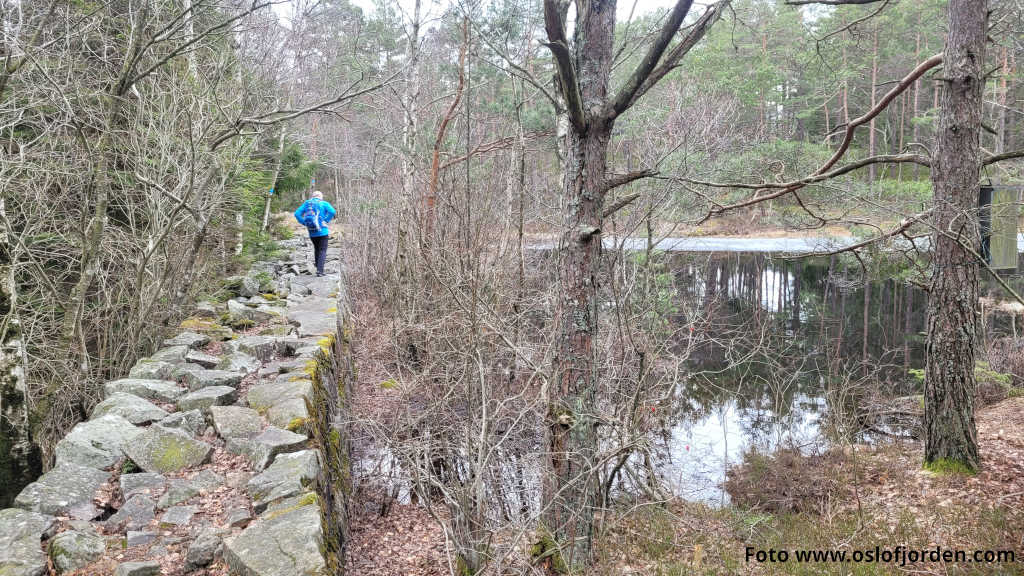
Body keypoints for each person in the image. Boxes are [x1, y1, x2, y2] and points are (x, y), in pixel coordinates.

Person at [293, 191, 337, 277]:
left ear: (312, 197)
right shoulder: (323, 203)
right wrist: (326, 220)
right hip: (322, 231)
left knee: (317, 249)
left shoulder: (307, 204)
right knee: (322, 250)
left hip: (312, 231)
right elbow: (332, 211)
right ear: (320, 197)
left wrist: (304, 223)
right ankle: (320, 271)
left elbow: (297, 214)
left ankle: (318, 267)